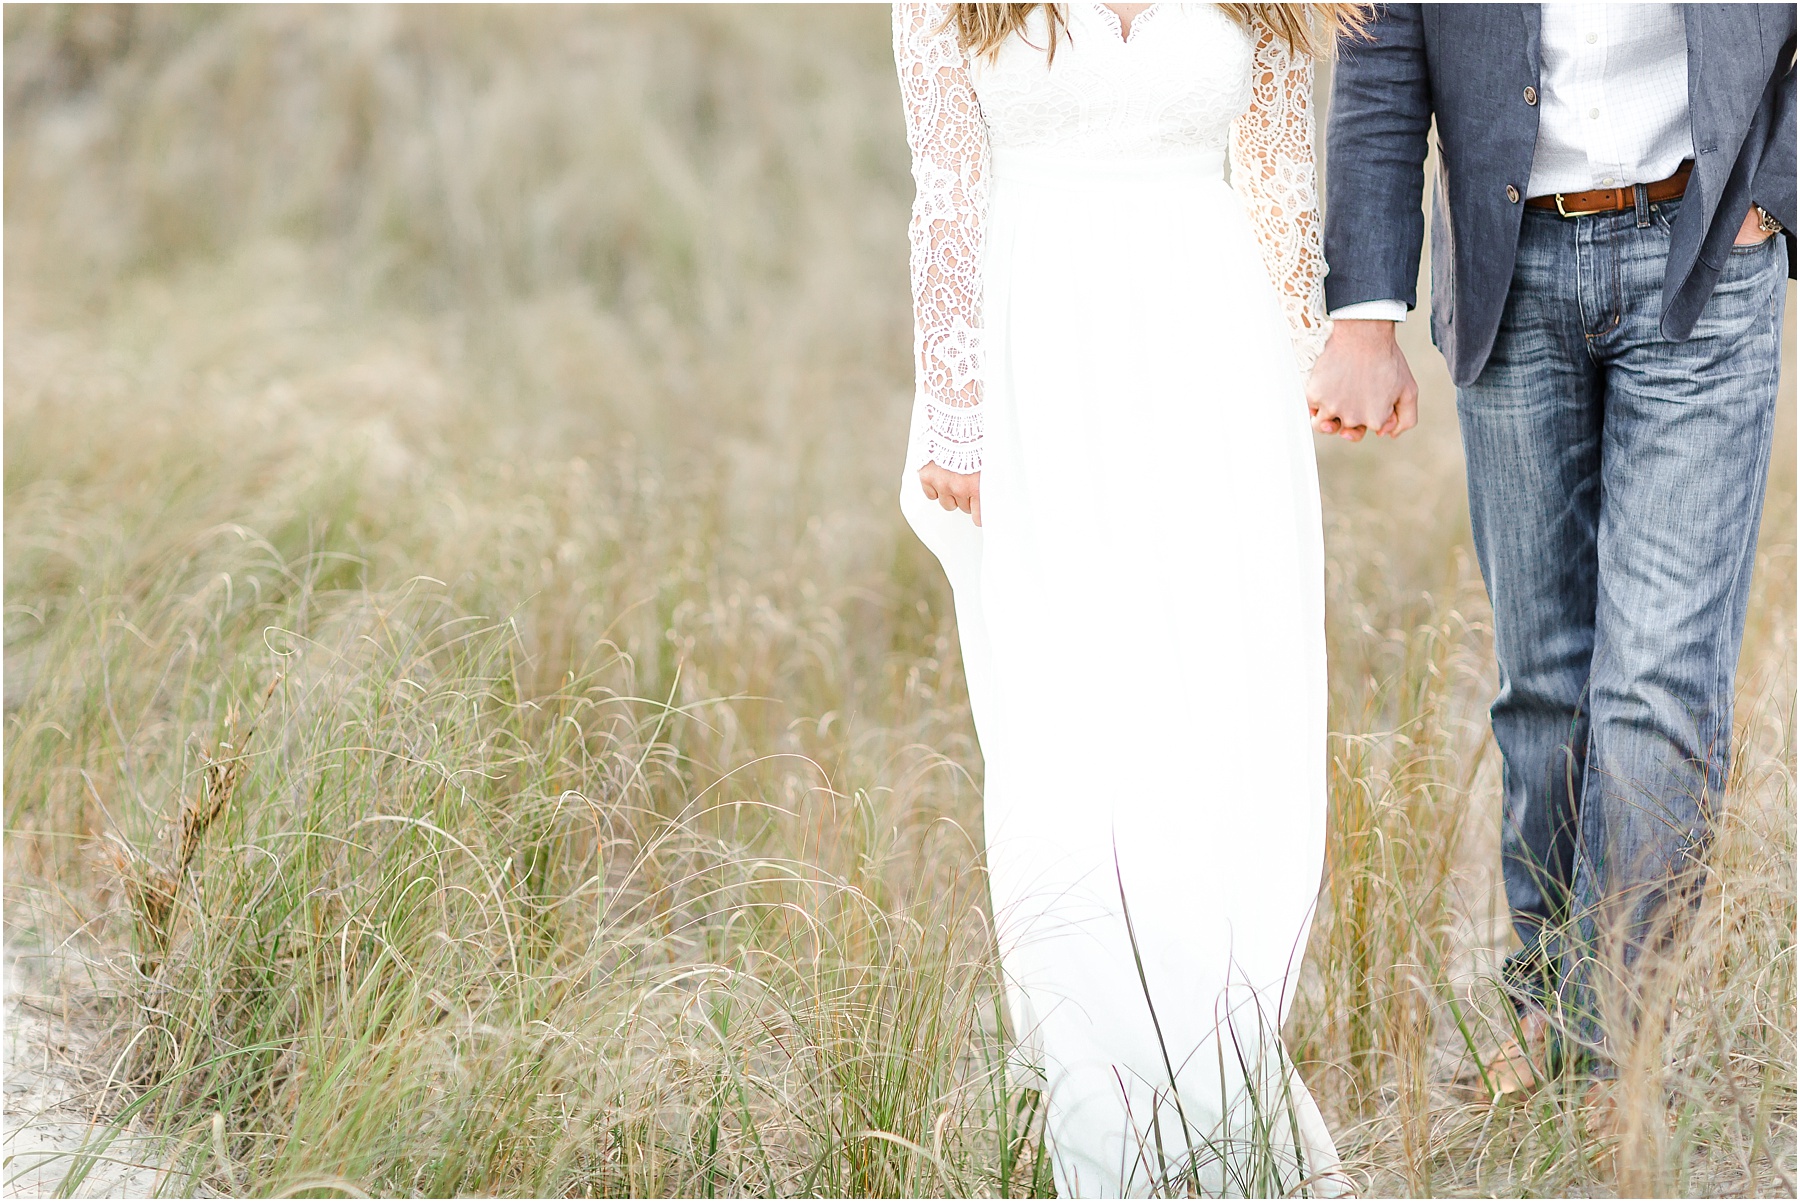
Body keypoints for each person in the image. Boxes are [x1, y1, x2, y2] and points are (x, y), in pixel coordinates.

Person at [894, 3, 1361, 1194]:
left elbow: (1271, 166)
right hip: (1039, 356)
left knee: (1218, 716)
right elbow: (946, 186)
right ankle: (1105, 1106)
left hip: (1216, 357)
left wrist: (1315, 343)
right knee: (1069, 742)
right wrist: (952, 408)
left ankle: (1220, 1071)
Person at [1310, 3, 1794, 1096]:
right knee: (1544, 681)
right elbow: (1382, 51)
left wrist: (1777, 190)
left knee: (1655, 684)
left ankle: (1617, 1041)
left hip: (1706, 248)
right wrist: (1365, 317)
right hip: (1510, 269)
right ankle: (1545, 999)